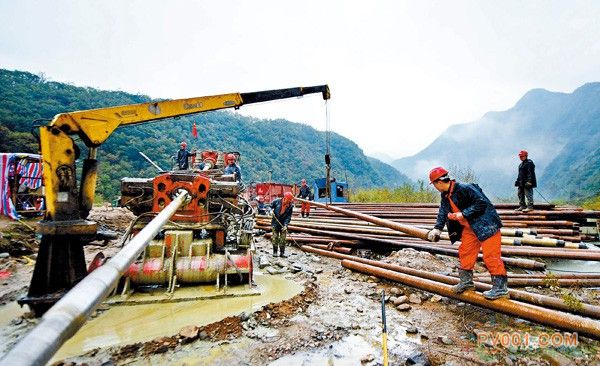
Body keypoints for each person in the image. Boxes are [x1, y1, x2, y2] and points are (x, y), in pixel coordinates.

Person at [426, 167, 509, 300]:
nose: (435, 187)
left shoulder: (465, 188)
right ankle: (466, 282)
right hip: (470, 228)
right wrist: (437, 228)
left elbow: (482, 203)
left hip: (487, 225)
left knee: (491, 257)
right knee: (465, 252)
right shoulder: (446, 195)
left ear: (438, 182)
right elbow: (443, 211)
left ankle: (501, 289)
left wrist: (463, 214)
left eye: (434, 184)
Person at [270, 192, 294, 257]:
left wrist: (286, 225)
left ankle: (282, 253)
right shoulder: (276, 201)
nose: (289, 202)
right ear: (285, 198)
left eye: (290, 200)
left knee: (283, 239)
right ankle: (275, 252)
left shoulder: (290, 206)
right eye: (289, 200)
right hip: (275, 223)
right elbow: (269, 206)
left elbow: (288, 217)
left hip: (283, 224)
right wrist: (270, 210)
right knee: (275, 238)